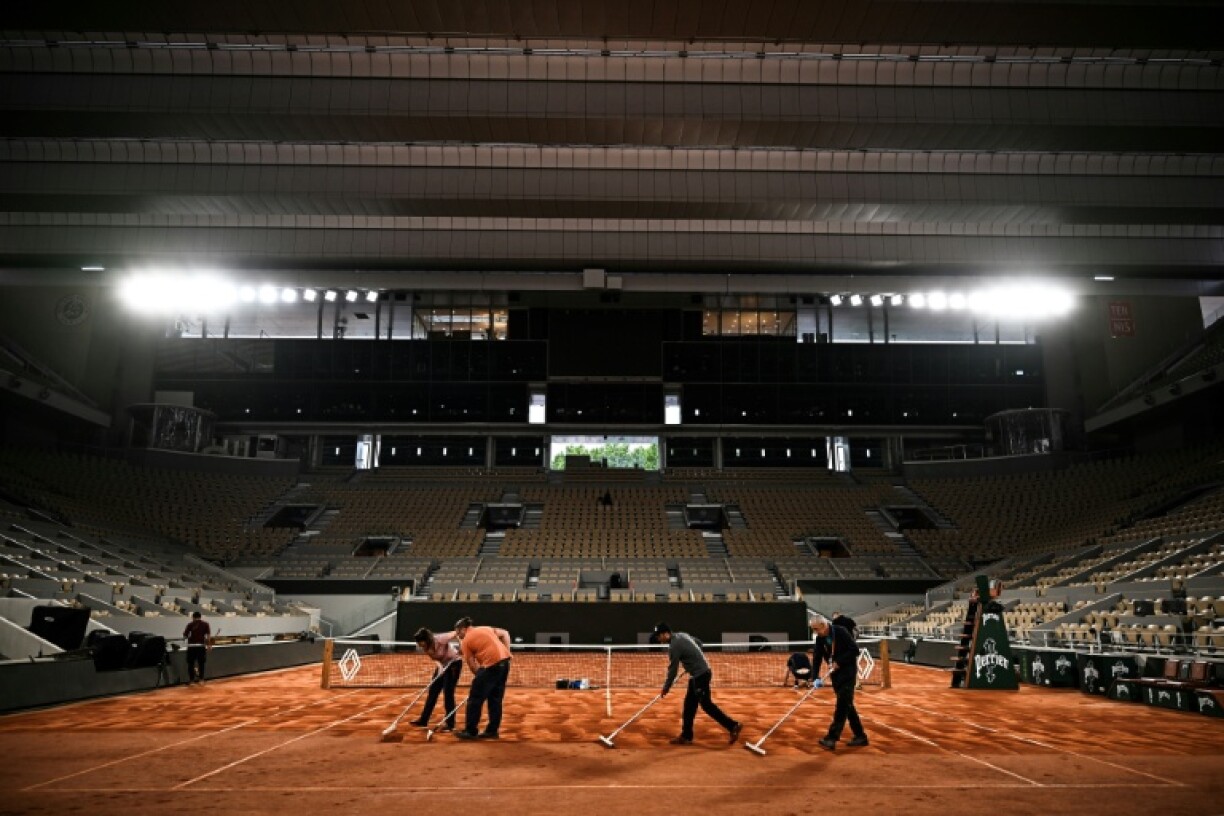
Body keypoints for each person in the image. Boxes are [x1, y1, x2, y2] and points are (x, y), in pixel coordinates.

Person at [653, 622, 743, 746]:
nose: (658, 639)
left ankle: (733, 725)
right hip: (696, 675)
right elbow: (699, 643)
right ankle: (686, 736)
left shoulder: (674, 646)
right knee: (689, 706)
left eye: (659, 636)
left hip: (701, 675)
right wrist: (692, 659)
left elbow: (672, 670)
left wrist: (666, 688)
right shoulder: (682, 635)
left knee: (706, 705)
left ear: (666, 634)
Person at [810, 614, 868, 750]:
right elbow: (817, 658)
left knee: (842, 705)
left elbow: (855, 650)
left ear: (824, 626)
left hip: (847, 673)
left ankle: (832, 738)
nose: (815, 632)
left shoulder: (841, 631)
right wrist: (815, 678)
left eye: (816, 629)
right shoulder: (820, 639)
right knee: (847, 705)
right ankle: (860, 736)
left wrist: (839, 662)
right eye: (813, 629)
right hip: (835, 675)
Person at [453, 616, 512, 740]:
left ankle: (470, 731)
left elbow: (471, 663)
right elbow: (505, 633)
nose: (458, 635)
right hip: (505, 664)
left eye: (458, 632)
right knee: (495, 699)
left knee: (475, 699)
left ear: (463, 629)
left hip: (490, 666)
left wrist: (480, 678)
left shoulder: (466, 641)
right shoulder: (485, 628)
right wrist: (506, 651)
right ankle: (492, 731)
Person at [409, 626, 463, 731]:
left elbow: (456, 633)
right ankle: (423, 720)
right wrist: (440, 668)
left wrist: (461, 646)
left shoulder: (441, 638)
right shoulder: (426, 648)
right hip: (443, 664)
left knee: (448, 693)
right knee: (433, 691)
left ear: (426, 639)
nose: (419, 645)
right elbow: (436, 659)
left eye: (420, 642)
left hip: (454, 664)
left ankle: (450, 724)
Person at [183, 610, 211, 684]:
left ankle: (191, 680)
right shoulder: (206, 624)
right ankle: (201, 680)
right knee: (201, 663)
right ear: (200, 617)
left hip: (191, 647)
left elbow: (185, 635)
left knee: (190, 664)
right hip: (201, 646)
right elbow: (208, 636)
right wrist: (208, 645)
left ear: (193, 617)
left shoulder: (190, 624)